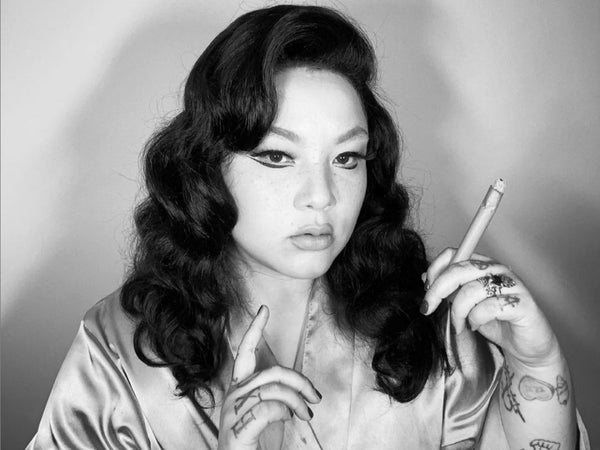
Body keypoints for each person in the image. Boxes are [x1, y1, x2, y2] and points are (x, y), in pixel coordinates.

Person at [28, 5, 590, 449]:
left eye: (346, 158)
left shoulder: (432, 322)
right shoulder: (119, 347)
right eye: (277, 157)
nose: (322, 196)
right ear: (207, 165)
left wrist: (537, 365)